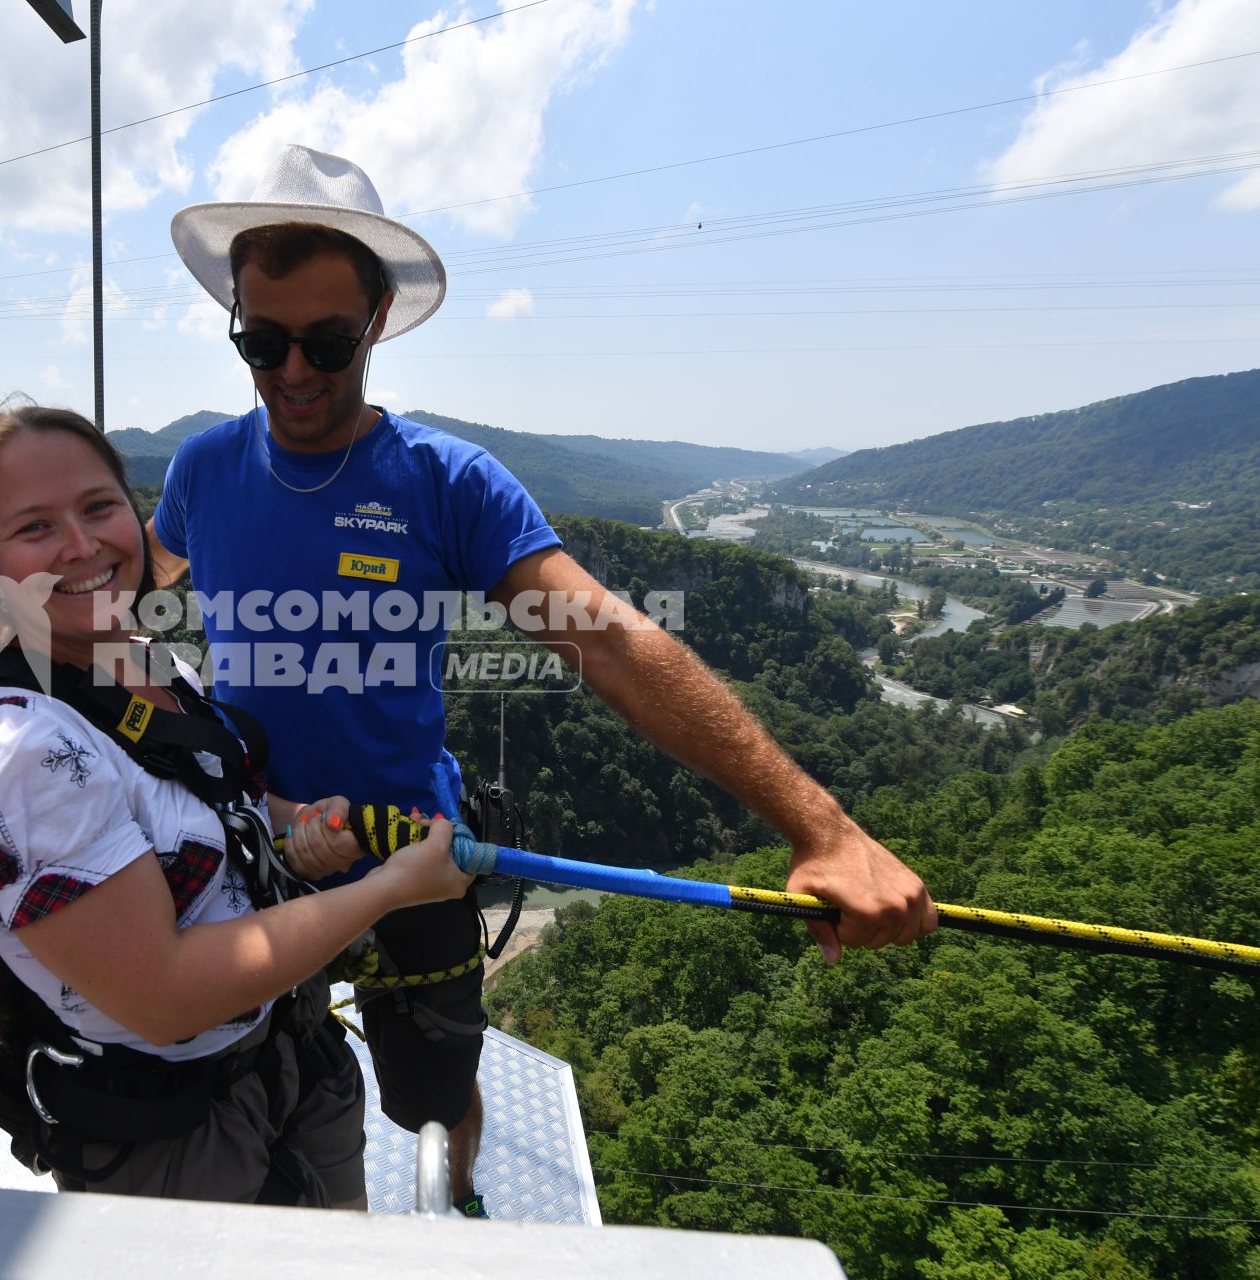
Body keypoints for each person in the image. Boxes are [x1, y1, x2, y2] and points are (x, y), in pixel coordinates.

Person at [150, 144, 939, 1216]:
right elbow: (116, 608)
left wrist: (821, 826)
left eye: (325, 341)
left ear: (376, 321)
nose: (291, 370)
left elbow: (610, 640)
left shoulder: (445, 483)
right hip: (260, 846)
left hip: (413, 855)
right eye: (262, 338)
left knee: (431, 1091)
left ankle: (456, 1202)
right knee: (255, 1079)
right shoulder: (201, 471)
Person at [0, 404, 473, 1205]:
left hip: (285, 1056)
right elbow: (164, 998)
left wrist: (298, 825)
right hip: (174, 1136)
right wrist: (387, 889)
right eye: (35, 527)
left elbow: (213, 799)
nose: (81, 545)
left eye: (99, 507)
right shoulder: (26, 753)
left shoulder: (143, 661)